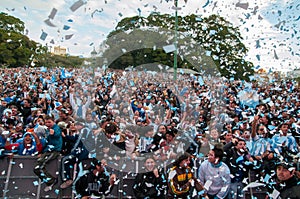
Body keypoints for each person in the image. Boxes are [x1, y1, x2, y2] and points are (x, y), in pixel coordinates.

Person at [33, 115, 62, 192]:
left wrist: (53, 133)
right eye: (46, 122)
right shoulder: (47, 130)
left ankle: (51, 181)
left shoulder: (56, 128)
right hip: (47, 151)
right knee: (36, 168)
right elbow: (46, 141)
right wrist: (41, 152)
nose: (48, 124)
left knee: (40, 165)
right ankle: (49, 181)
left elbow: (57, 134)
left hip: (54, 151)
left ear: (53, 122)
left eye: (49, 122)